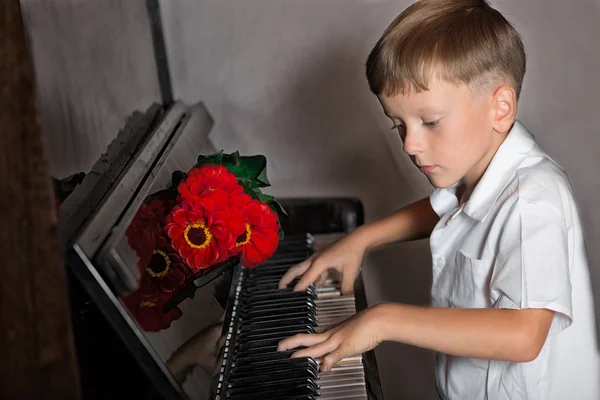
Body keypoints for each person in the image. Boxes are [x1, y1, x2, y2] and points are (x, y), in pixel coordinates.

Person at [277, 1, 600, 398]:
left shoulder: (533, 200)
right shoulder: (480, 174)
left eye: (429, 122)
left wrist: (383, 320)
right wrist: (360, 240)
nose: (410, 145)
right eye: (399, 125)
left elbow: (523, 336)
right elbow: (443, 209)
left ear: (500, 108)